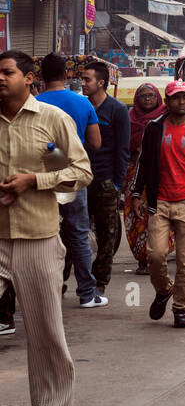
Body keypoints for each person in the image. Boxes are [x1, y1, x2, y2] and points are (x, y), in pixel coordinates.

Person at [0, 50, 92, 406]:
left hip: (37, 238)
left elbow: (79, 171)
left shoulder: (51, 120)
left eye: (7, 72)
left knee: (46, 333)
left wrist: (33, 180)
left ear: (28, 78)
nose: (0, 79)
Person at [131, 80, 185, 329]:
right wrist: (137, 194)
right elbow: (144, 163)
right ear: (167, 102)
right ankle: (164, 290)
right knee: (156, 255)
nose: (181, 102)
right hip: (159, 201)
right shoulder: (153, 129)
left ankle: (181, 308)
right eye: (176, 98)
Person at [36, 54, 104, 307]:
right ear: (66, 75)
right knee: (78, 234)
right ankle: (87, 294)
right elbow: (96, 143)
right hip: (73, 178)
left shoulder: (33, 103)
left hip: (41, 179)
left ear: (40, 76)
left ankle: (47, 293)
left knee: (44, 235)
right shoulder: (82, 103)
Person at [80, 59, 130, 299]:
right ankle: (70, 281)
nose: (83, 83)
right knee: (73, 231)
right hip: (80, 179)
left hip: (105, 180)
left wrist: (117, 184)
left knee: (106, 235)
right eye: (82, 79)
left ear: (101, 83)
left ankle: (100, 282)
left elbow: (123, 149)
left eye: (87, 79)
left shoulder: (117, 109)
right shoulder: (81, 106)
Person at [123, 82, 167, 274]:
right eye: (143, 96)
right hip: (134, 173)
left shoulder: (167, 117)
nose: (147, 99)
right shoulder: (130, 118)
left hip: (161, 173)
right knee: (136, 216)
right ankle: (142, 259)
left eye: (151, 95)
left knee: (158, 215)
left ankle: (158, 256)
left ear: (157, 97)